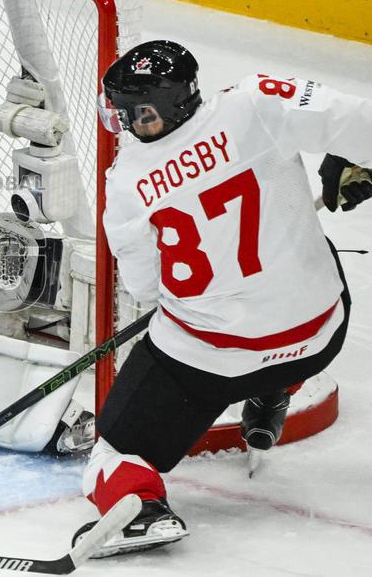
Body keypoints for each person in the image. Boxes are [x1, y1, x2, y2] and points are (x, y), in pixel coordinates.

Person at [75, 40, 372, 557]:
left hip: (208, 364)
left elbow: (147, 291)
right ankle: (278, 384)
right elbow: (360, 122)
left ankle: (141, 508)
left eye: (137, 113)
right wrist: (357, 159)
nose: (126, 124)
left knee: (115, 447)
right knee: (313, 255)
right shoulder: (256, 102)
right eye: (121, 113)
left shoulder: (126, 183)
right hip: (320, 336)